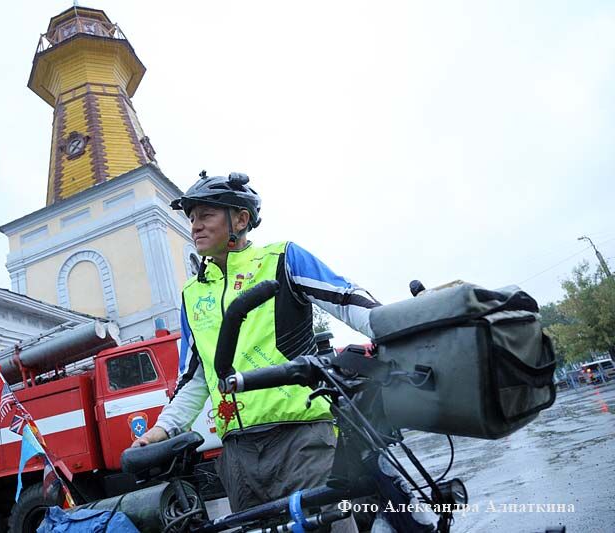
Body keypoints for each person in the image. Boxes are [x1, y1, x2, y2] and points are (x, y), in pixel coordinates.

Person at [132, 172, 434, 533]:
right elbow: (194, 377)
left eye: (206, 215)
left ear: (240, 220)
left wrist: (410, 331)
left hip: (301, 438)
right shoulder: (193, 294)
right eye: (192, 217)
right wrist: (161, 430)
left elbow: (348, 301)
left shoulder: (282, 259)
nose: (195, 225)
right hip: (238, 454)